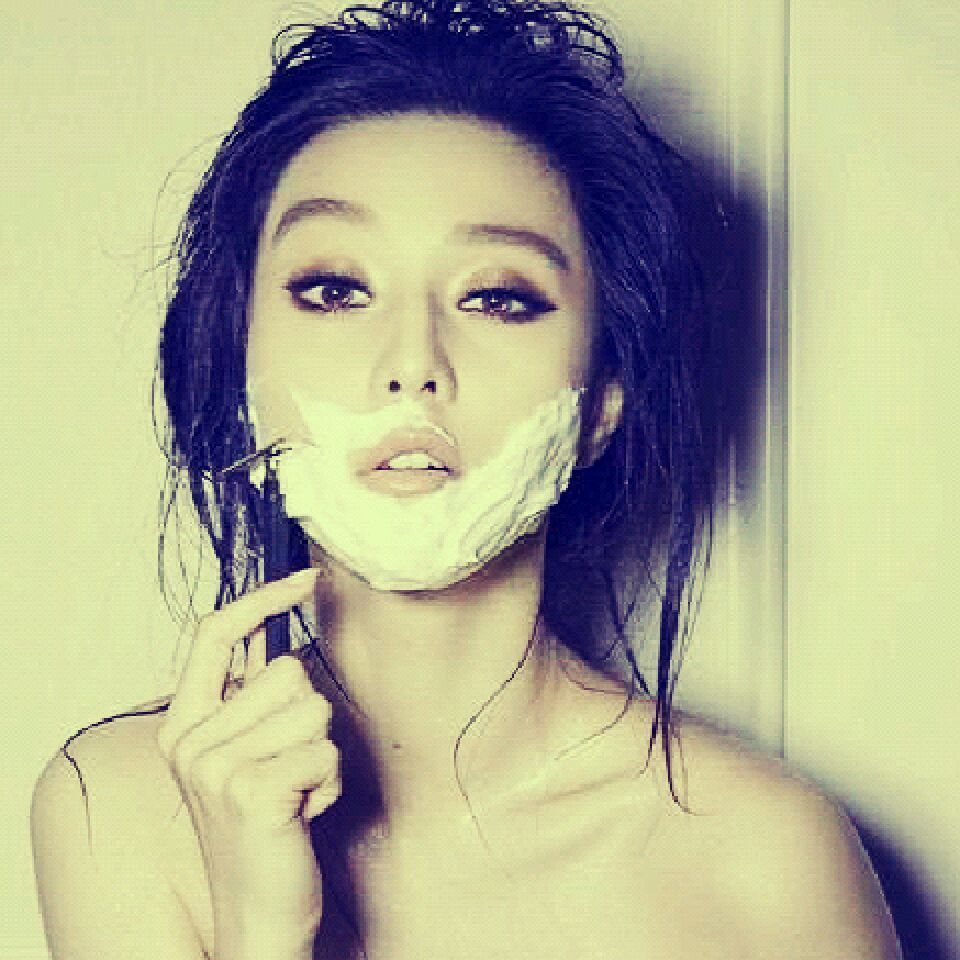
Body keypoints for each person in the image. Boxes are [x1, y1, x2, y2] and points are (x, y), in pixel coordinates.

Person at [30, 2, 901, 958]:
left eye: (496, 298)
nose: (413, 363)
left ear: (600, 405)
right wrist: (261, 928)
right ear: (241, 374)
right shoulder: (119, 806)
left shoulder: (764, 856)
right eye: (335, 291)